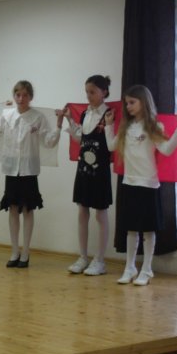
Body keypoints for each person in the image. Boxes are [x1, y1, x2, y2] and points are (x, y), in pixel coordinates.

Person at [0, 80, 61, 268]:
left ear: (31, 97)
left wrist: (59, 125)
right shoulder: (7, 115)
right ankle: (14, 251)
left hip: (29, 170)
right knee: (13, 209)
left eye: (25, 95)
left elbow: (49, 142)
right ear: (14, 96)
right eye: (18, 95)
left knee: (28, 209)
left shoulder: (37, 117)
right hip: (11, 169)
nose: (21, 99)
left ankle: (26, 252)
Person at [105, 85, 177, 286]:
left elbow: (166, 150)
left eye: (132, 102)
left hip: (148, 184)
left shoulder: (155, 127)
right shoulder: (126, 127)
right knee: (130, 229)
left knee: (148, 230)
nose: (128, 106)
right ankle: (129, 267)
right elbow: (111, 146)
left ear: (143, 102)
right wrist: (108, 126)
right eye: (126, 103)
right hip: (129, 183)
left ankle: (147, 269)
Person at [63, 75, 113, 276]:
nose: (88, 96)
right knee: (82, 211)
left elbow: (111, 143)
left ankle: (100, 260)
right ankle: (83, 257)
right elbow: (81, 139)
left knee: (100, 214)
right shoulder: (85, 114)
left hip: (100, 171)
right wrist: (69, 119)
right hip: (83, 169)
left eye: (92, 92)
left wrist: (109, 125)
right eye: (87, 92)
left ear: (104, 92)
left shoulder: (109, 114)